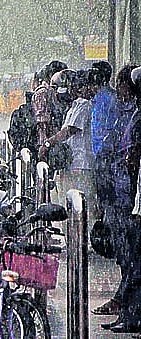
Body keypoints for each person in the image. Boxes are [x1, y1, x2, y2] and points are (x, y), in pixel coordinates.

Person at [93, 64, 138, 319]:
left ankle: (127, 306)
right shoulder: (123, 112)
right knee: (124, 253)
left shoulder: (131, 114)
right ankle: (124, 301)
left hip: (124, 194)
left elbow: (122, 153)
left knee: (129, 253)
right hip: (114, 191)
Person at [42, 69, 99, 204]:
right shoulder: (73, 106)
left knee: (81, 204)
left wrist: (48, 144)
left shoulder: (84, 105)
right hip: (71, 164)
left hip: (81, 164)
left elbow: (69, 130)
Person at [33, 60, 68, 152]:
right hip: (45, 144)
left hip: (54, 143)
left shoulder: (54, 92)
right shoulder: (43, 93)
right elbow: (42, 122)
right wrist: (45, 145)